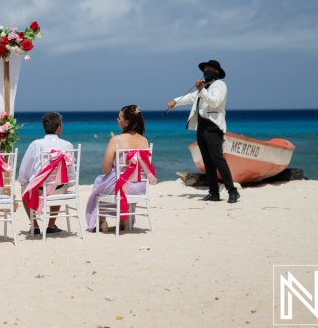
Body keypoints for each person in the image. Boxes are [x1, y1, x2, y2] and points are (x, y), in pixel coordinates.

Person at [166, 59, 239, 204]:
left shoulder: (220, 85)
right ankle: (213, 193)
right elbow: (191, 97)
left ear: (217, 71)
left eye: (210, 68)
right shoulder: (205, 86)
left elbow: (215, 101)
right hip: (201, 127)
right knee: (207, 161)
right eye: (205, 69)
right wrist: (175, 101)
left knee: (218, 159)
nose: (207, 71)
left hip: (213, 127)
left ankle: (232, 191)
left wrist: (201, 90)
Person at [85, 105, 153, 232]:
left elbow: (106, 169)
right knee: (112, 184)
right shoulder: (145, 140)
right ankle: (124, 219)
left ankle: (101, 220)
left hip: (122, 186)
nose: (117, 119)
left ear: (126, 122)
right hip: (139, 186)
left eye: (119, 117)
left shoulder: (116, 140)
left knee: (99, 182)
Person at [17, 112, 73, 235]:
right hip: (58, 190)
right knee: (60, 184)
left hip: (39, 190)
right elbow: (71, 174)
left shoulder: (36, 144)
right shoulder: (68, 145)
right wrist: (69, 184)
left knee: (25, 189)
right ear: (59, 128)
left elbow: (24, 170)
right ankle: (51, 225)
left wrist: (23, 182)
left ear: (44, 127)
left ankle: (35, 225)